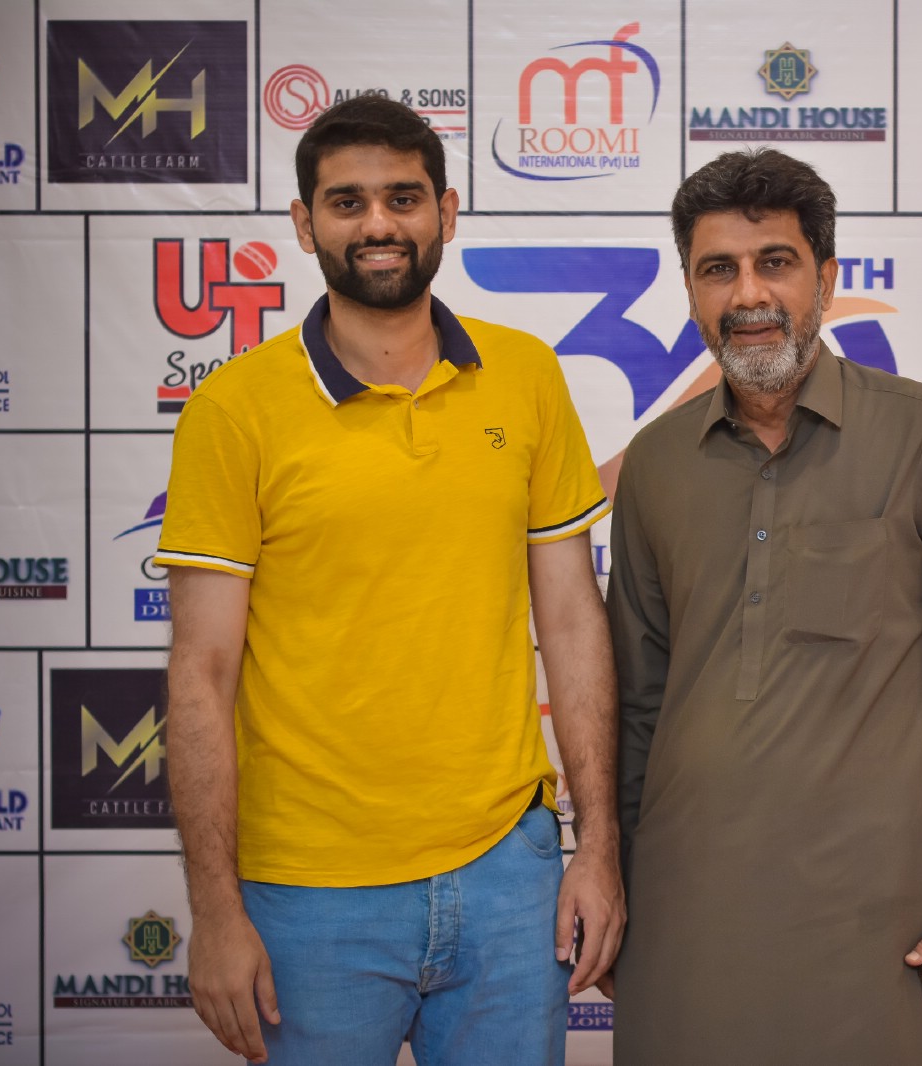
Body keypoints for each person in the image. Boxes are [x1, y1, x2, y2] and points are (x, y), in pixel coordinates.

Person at [158, 95, 623, 1066]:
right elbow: (201, 673)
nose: (378, 223)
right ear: (305, 224)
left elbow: (573, 622)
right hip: (307, 893)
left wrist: (597, 846)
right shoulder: (233, 408)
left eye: (403, 198)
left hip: (509, 875)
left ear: (445, 212)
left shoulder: (526, 375)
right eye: (348, 202)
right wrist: (214, 910)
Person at [604, 148, 922, 1065]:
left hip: (882, 916)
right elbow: (638, 703)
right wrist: (613, 875)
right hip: (688, 912)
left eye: (774, 262)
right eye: (717, 269)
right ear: (690, 292)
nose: (748, 294)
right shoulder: (654, 463)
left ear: (826, 278)